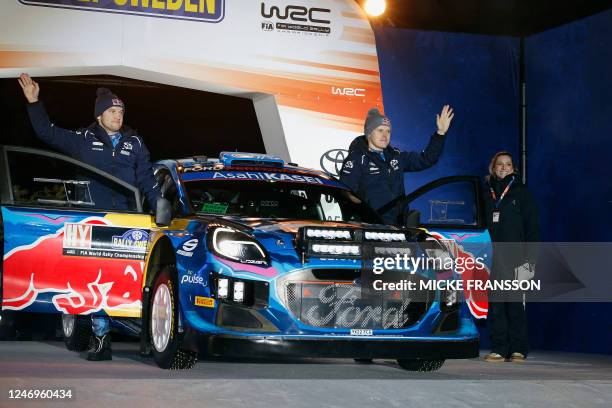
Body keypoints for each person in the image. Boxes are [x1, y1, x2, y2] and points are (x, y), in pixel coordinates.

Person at [18, 73, 159, 361]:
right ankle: (101, 338)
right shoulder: (83, 139)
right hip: (92, 222)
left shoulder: (136, 142)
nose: (118, 116)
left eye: (121, 111)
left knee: (124, 280)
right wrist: (34, 102)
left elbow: (147, 180)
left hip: (128, 223)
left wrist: (160, 209)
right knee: (93, 279)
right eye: (112, 111)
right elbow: (47, 133)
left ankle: (143, 333)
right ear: (99, 116)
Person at [339, 106, 454, 225]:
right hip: (373, 226)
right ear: (368, 133)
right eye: (380, 130)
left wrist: (440, 133)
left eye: (388, 131)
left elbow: (426, 159)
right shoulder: (356, 159)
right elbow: (348, 195)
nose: (385, 135)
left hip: (399, 224)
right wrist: (370, 212)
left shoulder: (396, 156)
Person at [483, 151, 540, 363]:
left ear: (513, 168)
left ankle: (518, 349)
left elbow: (532, 228)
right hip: (492, 256)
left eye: (508, 164)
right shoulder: (485, 191)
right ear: (493, 167)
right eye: (500, 164)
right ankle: (499, 348)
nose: (504, 168)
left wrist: (531, 261)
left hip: (516, 256)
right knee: (496, 304)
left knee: (515, 303)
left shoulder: (521, 192)